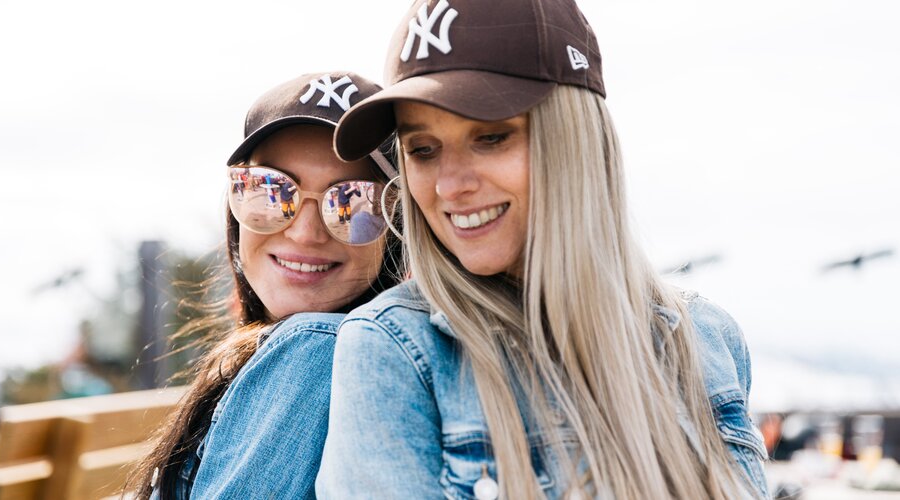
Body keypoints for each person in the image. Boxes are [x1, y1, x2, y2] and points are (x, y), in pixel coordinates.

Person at [317, 1, 769, 499]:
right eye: (422, 150)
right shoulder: (395, 349)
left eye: (490, 137)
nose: (449, 185)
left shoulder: (708, 338)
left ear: (575, 136)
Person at [127, 71, 398, 499]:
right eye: (272, 189)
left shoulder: (315, 348)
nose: (306, 233)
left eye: (352, 200)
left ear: (397, 226)